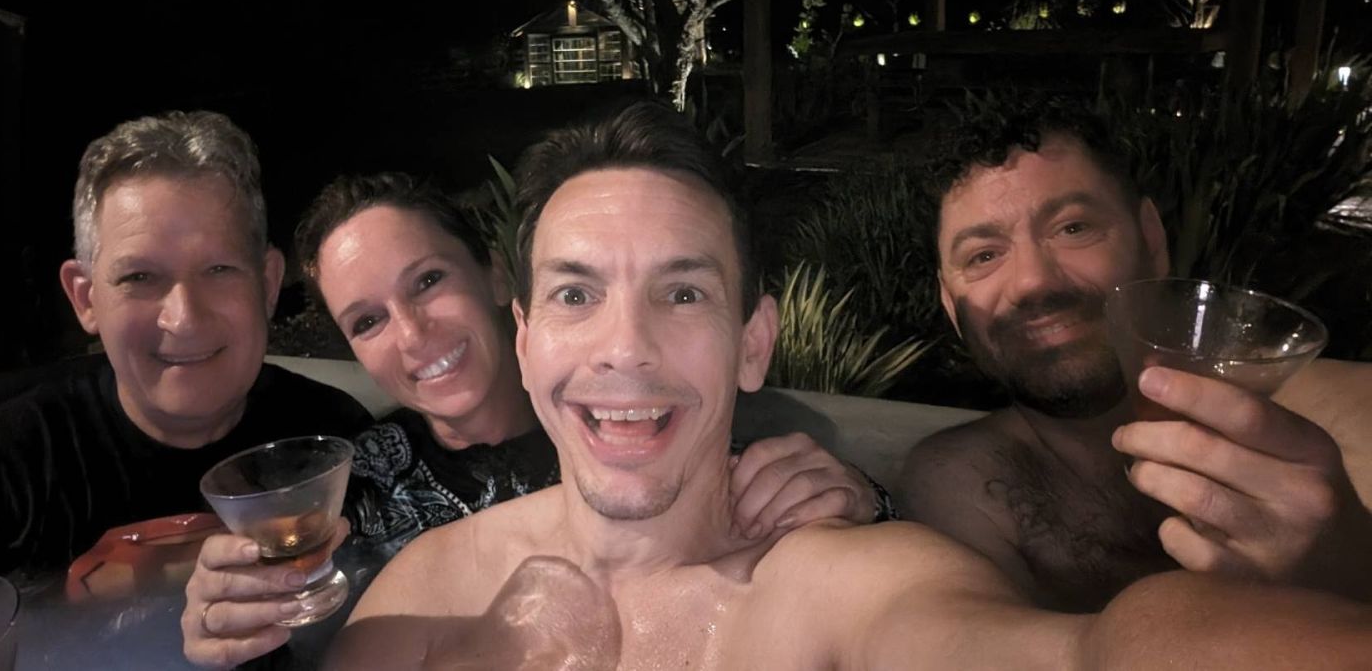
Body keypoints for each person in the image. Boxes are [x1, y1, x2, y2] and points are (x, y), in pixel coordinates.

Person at [318, 99, 1369, 670]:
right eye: (575, 294)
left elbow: (1089, 651)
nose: (623, 347)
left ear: (754, 344)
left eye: (682, 294)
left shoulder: (842, 590)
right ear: (527, 336)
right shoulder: (423, 594)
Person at [183, 172, 890, 667]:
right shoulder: (353, 487)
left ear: (497, 276)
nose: (413, 334)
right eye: (368, 321)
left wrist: (859, 499)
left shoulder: (642, 427)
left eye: (429, 281)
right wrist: (234, 637)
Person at [902, 97, 1372, 611]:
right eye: (984, 255)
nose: (1033, 281)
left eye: (1073, 228)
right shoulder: (958, 487)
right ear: (951, 305)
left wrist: (1351, 565)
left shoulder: (1340, 415)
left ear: (1151, 239)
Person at [0, 111, 371, 589]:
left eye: (218, 270)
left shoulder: (339, 442)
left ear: (269, 284)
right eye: (140, 277)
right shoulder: (3, 466)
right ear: (85, 299)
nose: (184, 317)